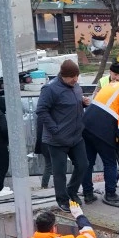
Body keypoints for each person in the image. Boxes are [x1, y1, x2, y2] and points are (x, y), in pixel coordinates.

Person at [36, 59, 89, 208]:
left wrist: (83, 103)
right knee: (60, 172)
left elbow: (71, 104)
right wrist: (55, 129)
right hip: (57, 139)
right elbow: (41, 110)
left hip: (76, 136)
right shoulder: (50, 89)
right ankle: (62, 200)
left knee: (83, 164)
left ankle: (71, 191)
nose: (75, 79)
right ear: (63, 75)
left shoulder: (76, 86)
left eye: (77, 76)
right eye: (72, 77)